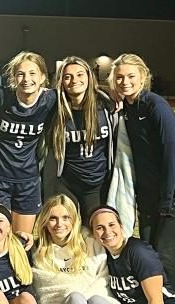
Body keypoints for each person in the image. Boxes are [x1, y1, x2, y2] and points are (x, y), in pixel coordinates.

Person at [109, 54, 175, 295]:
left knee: (166, 252)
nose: (125, 82)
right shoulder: (126, 106)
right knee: (147, 249)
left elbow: (172, 153)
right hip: (149, 192)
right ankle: (151, 301)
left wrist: (167, 199)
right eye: (119, 77)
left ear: (143, 77)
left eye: (131, 76)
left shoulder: (155, 105)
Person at [0, 52, 58, 234]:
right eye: (20, 74)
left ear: (43, 77)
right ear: (13, 78)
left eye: (32, 73)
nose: (26, 79)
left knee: (22, 241)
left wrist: (113, 95)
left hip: (28, 180)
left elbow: (84, 93)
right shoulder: (0, 96)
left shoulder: (50, 100)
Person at [45, 56, 115, 223]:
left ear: (89, 77)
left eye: (80, 74)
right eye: (68, 76)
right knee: (64, 231)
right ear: (61, 81)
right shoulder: (55, 108)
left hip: (97, 184)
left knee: (94, 233)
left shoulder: (106, 105)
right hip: (67, 183)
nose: (74, 80)